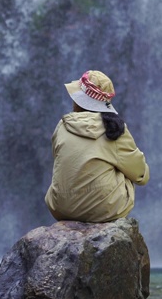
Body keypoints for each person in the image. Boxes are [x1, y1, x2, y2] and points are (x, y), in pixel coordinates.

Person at [44, 70, 150, 223]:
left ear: (78, 101)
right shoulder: (113, 130)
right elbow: (141, 175)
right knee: (125, 169)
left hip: (60, 208)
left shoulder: (62, 125)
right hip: (103, 210)